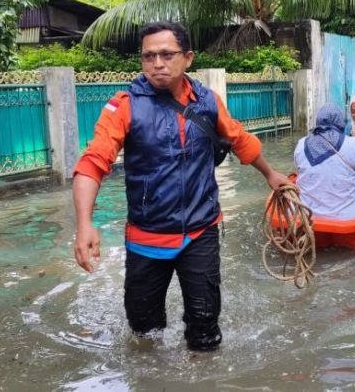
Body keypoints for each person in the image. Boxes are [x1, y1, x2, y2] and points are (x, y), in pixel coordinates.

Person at [72, 21, 289, 352]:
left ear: (187, 58)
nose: (157, 63)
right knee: (144, 331)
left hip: (200, 232)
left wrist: (271, 175)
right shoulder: (125, 106)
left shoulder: (208, 102)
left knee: (204, 328)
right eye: (148, 56)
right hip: (147, 237)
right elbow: (93, 162)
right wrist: (84, 224)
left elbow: (240, 139)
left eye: (166, 54)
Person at [294, 103, 355, 220]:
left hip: (305, 215)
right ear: (341, 123)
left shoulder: (301, 144)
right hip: (345, 218)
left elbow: (300, 170)